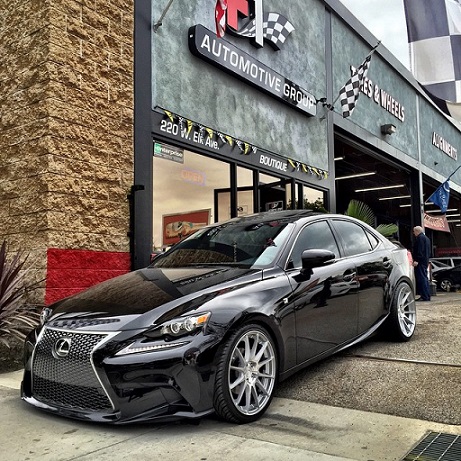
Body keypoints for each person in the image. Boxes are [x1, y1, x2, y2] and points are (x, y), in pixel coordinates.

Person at [412, 226, 431, 301]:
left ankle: (424, 296)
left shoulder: (420, 238)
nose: (414, 234)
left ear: (417, 231)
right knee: (425, 278)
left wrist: (416, 260)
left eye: (414, 232)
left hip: (420, 262)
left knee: (421, 278)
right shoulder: (427, 239)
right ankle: (426, 295)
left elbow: (420, 250)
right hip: (425, 261)